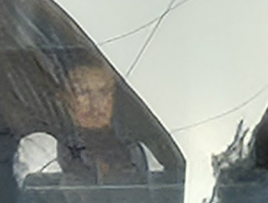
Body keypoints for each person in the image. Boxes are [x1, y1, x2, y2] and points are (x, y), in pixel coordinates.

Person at [14, 61, 166, 183]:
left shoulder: (139, 152)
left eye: (104, 92)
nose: (95, 103)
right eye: (82, 92)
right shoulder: (42, 147)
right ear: (61, 97)